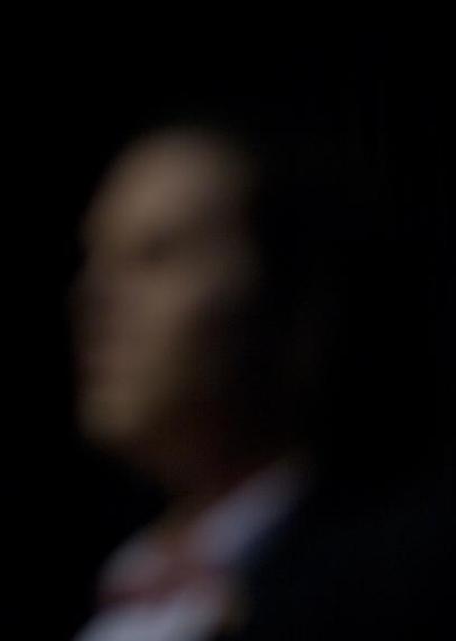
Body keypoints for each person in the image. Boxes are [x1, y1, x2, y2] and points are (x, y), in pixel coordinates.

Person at [71, 120, 448, 641]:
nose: (94, 299)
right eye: (97, 259)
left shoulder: (402, 578)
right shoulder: (116, 578)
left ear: (290, 303)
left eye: (157, 254)